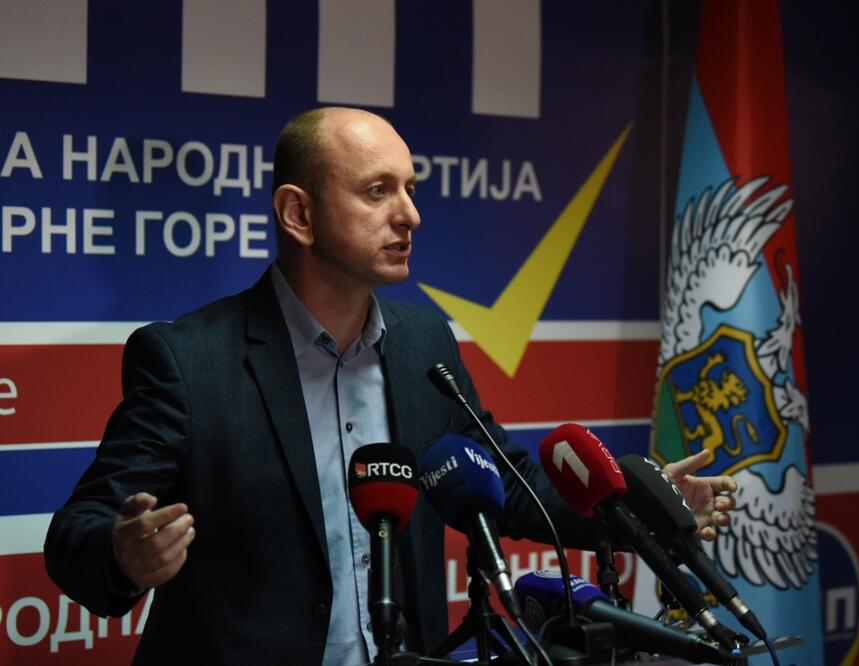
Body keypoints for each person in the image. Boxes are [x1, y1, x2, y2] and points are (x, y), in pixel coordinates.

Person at [44, 107, 737, 665]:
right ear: (299, 214)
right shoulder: (189, 360)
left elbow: (512, 486)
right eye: (378, 191)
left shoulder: (422, 343)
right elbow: (78, 531)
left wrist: (645, 515)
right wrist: (124, 555)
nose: (410, 215)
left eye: (410, 189)